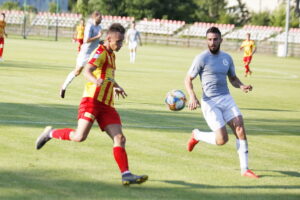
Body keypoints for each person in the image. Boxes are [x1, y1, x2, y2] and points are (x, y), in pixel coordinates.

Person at [36, 23, 148, 186]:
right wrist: (96, 81)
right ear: (108, 39)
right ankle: (50, 133)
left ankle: (126, 174)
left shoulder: (112, 55)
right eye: (118, 42)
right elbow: (88, 70)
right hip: (91, 101)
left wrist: (116, 85)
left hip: (107, 105)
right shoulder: (100, 51)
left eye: (122, 42)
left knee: (120, 138)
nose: (120, 45)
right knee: (80, 137)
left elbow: (106, 74)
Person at [185, 27, 259, 179]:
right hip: (210, 102)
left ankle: (245, 169)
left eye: (215, 39)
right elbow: (188, 79)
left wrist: (242, 85)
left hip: (226, 98)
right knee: (222, 140)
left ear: (221, 40)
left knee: (239, 126)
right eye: (209, 39)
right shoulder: (201, 58)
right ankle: (197, 135)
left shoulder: (227, 58)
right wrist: (192, 96)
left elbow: (232, 78)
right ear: (207, 40)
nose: (212, 42)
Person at [60, 11, 103, 98]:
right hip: (85, 53)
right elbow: (86, 40)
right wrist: (98, 37)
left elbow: (96, 41)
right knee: (77, 71)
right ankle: (63, 87)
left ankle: (94, 95)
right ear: (95, 17)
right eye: (100, 18)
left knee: (97, 72)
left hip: (94, 54)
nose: (101, 19)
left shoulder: (99, 27)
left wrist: (101, 42)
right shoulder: (90, 26)